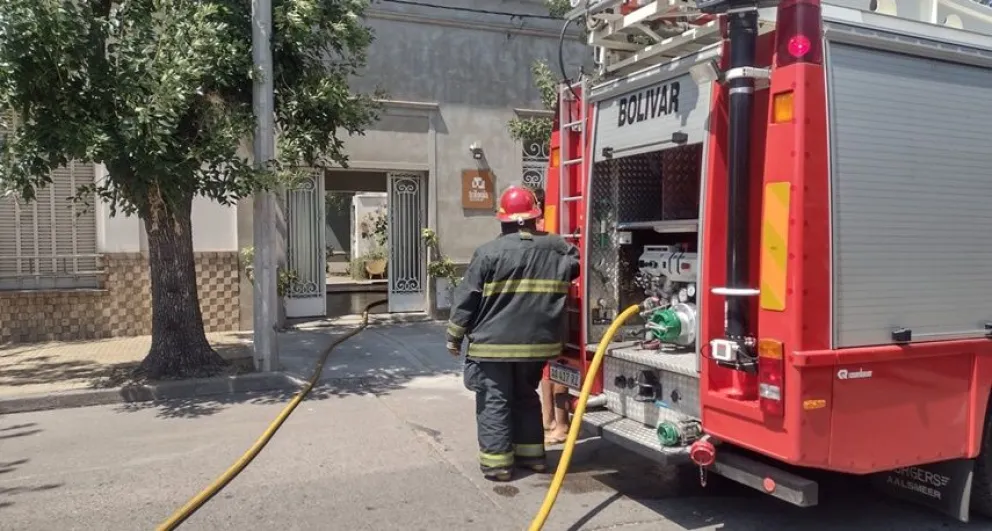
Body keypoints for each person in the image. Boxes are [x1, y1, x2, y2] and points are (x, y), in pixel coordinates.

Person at [446, 183, 581, 482]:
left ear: (503, 218)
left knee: (495, 399)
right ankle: (532, 457)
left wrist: (454, 336)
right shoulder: (559, 248)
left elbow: (467, 298)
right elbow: (575, 265)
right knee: (525, 396)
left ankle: (497, 465)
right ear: (535, 216)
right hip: (537, 346)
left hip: (493, 346)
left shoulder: (488, 253)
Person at [530, 187, 572, 446]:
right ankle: (549, 421)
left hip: (550, 308)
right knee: (549, 370)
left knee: (558, 369)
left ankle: (561, 424)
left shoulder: (547, 230)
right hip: (549, 306)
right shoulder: (547, 230)